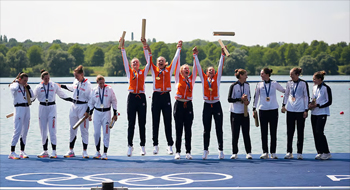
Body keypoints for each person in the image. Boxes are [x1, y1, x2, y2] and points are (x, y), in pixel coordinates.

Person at [149, 40, 182, 155]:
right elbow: (148, 59)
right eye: (159, 61)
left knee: (168, 121)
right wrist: (146, 50)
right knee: (155, 121)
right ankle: (155, 145)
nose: (161, 62)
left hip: (166, 96)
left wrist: (178, 48)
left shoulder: (169, 70)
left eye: (162, 60)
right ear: (157, 63)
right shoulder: (154, 70)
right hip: (156, 96)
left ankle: (169, 145)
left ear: (165, 63)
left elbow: (175, 58)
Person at [120, 38, 151, 156]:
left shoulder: (143, 72)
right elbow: (124, 60)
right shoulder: (130, 73)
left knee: (142, 123)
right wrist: (123, 48)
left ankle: (142, 146)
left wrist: (145, 47)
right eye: (133, 63)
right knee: (131, 123)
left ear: (139, 64)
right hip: (132, 98)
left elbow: (149, 62)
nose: (134, 64)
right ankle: (130, 146)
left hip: (141, 97)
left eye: (136, 62)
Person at [194, 47, 226, 159]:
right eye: (209, 70)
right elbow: (198, 67)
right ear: (206, 73)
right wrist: (195, 56)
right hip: (207, 105)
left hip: (216, 104)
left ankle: (221, 150)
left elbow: (220, 67)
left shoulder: (217, 78)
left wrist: (222, 55)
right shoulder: (203, 78)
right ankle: (205, 150)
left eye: (213, 70)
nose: (211, 71)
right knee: (206, 129)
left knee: (219, 128)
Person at [33, 70, 73, 158]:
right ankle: (45, 151)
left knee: (52, 129)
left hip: (52, 108)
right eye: (45, 78)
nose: (47, 80)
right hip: (42, 108)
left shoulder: (54, 85)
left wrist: (72, 100)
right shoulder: (38, 87)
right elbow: (32, 98)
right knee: (43, 130)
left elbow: (62, 95)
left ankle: (54, 151)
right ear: (42, 78)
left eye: (48, 78)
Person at [253, 68, 285, 159]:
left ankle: (273, 152)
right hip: (262, 110)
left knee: (273, 132)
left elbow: (284, 91)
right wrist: (254, 108)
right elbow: (256, 97)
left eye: (262, 73)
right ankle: (265, 152)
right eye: (260, 73)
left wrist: (293, 93)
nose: (261, 75)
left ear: (267, 74)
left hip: (273, 109)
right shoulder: (259, 84)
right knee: (264, 132)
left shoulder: (274, 83)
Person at [60, 65, 92, 158]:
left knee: (84, 130)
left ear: (82, 74)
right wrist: (60, 86)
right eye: (75, 76)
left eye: (77, 76)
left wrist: (88, 111)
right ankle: (71, 150)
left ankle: (85, 151)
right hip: (74, 106)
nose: (76, 78)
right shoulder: (76, 81)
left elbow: (90, 99)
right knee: (72, 128)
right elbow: (71, 88)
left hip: (83, 106)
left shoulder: (88, 84)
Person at [173, 47, 197, 160]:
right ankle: (177, 151)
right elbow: (176, 64)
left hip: (188, 105)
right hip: (179, 105)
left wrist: (195, 56)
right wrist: (179, 50)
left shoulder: (191, 79)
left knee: (188, 129)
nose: (187, 70)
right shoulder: (178, 78)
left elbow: (196, 69)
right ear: (181, 71)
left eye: (188, 69)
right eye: (184, 69)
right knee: (178, 129)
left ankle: (188, 151)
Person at [282, 68, 309, 160]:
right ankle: (289, 152)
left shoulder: (303, 83)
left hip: (300, 110)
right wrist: (283, 105)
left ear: (297, 74)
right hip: (290, 110)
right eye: (290, 74)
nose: (291, 76)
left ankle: (299, 152)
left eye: (292, 74)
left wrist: (306, 110)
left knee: (300, 132)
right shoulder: (289, 83)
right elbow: (286, 95)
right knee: (290, 132)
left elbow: (306, 96)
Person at [88, 75, 118, 160]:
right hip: (97, 113)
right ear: (97, 82)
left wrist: (115, 113)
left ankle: (105, 153)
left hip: (106, 113)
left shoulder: (109, 89)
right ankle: (98, 151)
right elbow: (91, 103)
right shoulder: (94, 90)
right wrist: (90, 113)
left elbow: (114, 101)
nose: (102, 85)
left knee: (106, 132)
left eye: (103, 83)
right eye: (100, 83)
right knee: (96, 133)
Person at [227, 69, 252, 159]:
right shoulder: (233, 86)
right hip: (235, 113)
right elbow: (229, 99)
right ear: (241, 75)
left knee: (246, 133)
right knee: (235, 133)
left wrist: (247, 101)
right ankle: (234, 153)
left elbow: (249, 96)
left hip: (245, 113)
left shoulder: (247, 85)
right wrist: (240, 99)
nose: (247, 77)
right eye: (245, 75)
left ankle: (248, 152)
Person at [8, 72, 34, 159]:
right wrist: (16, 81)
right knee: (17, 130)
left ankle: (22, 151)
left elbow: (33, 97)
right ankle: (12, 152)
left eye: (27, 80)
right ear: (20, 79)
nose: (25, 82)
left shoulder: (25, 87)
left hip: (26, 108)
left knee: (25, 131)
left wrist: (28, 87)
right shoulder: (14, 86)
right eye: (24, 80)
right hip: (19, 108)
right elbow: (14, 87)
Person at [308, 71, 332, 160]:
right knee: (315, 133)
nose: (313, 81)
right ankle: (320, 152)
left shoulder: (326, 88)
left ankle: (326, 152)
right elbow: (313, 99)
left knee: (319, 132)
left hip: (322, 113)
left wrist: (318, 105)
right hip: (314, 113)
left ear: (320, 79)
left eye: (314, 79)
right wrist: (310, 105)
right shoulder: (314, 87)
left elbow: (329, 101)